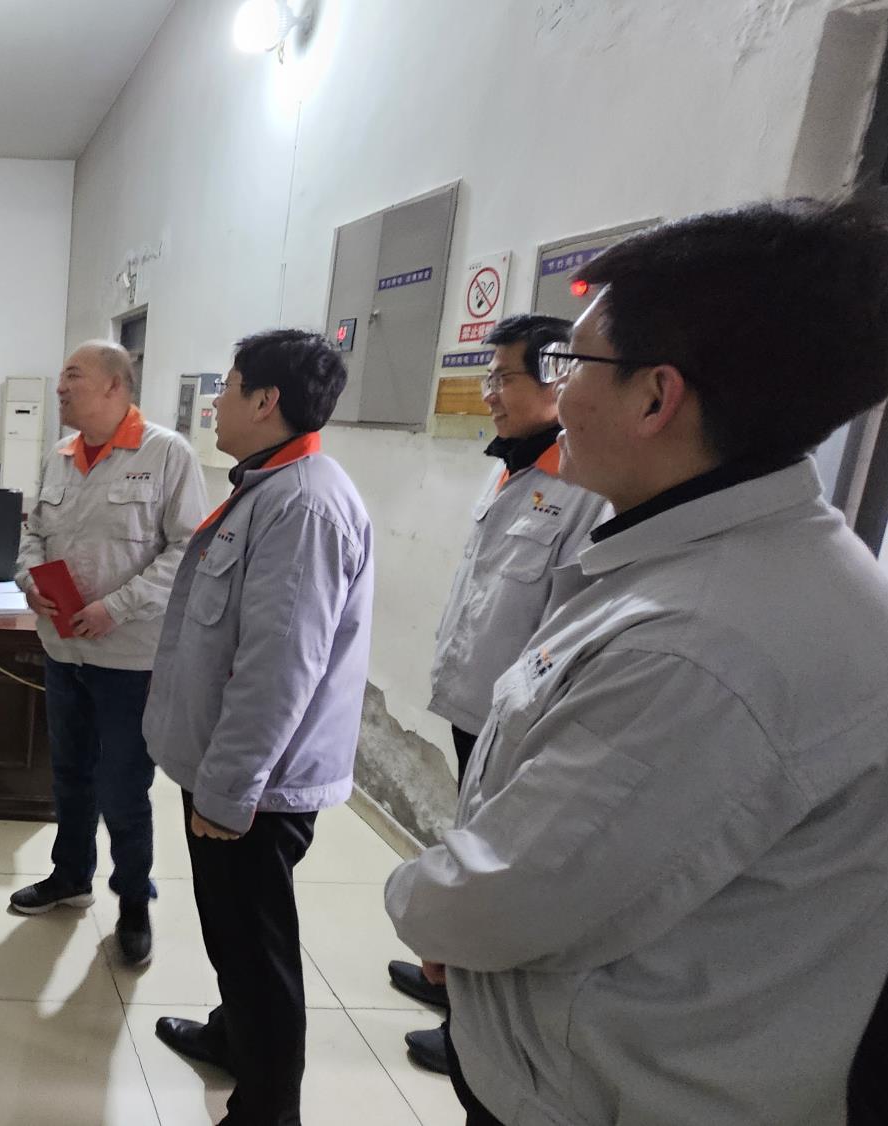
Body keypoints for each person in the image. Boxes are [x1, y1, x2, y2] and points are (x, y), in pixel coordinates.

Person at [385, 198, 888, 1126]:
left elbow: (516, 896)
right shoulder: (718, 562)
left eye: (574, 363)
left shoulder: (706, 645)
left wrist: (430, 907)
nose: (558, 395)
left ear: (655, 396)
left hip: (604, 1092)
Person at [143, 330, 373, 1126]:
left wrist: (228, 791)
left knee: (257, 947)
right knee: (231, 933)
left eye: (230, 385)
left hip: (256, 787)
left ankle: (268, 1108)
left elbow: (279, 670)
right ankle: (233, 1036)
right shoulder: (271, 485)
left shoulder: (303, 505)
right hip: (233, 771)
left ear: (266, 401)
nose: (217, 399)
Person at [385, 313, 609, 1074]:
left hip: (520, 718)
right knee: (467, 831)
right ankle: (449, 978)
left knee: (490, 862)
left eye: (504, 378)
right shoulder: (511, 466)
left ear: (557, 380)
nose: (488, 393)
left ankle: (470, 1034)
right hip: (475, 700)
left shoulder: (582, 489)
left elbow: (568, 621)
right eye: (489, 376)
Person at [10, 341, 205, 965]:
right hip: (63, 650)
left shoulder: (166, 453)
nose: (60, 387)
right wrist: (29, 580)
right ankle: (71, 876)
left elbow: (188, 551)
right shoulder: (60, 455)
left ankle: (133, 900)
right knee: (68, 775)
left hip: (129, 659)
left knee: (123, 785)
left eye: (73, 376)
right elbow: (32, 532)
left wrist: (115, 607)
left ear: (115, 386)